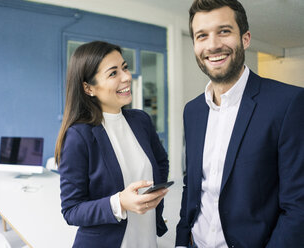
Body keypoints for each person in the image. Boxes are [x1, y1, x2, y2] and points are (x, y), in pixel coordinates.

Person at [176, 0, 304, 247]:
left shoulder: (288, 103)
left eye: (224, 31)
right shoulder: (192, 111)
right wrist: (182, 241)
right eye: (202, 36)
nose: (213, 45)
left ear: (245, 39)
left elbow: (298, 206)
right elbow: (191, 185)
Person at [55, 41, 169, 248]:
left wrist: (154, 193)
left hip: (147, 240)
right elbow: (71, 210)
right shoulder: (79, 136)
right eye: (113, 73)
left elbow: (161, 162)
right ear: (88, 88)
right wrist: (119, 203)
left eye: (124, 68)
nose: (127, 77)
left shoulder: (141, 120)